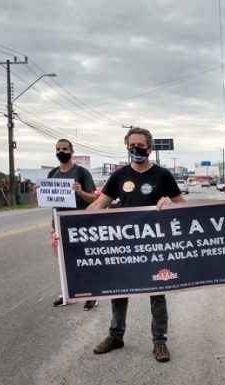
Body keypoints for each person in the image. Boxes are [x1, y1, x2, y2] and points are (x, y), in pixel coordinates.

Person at [87, 127, 185, 363]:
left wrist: (170, 205)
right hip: (124, 245)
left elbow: (182, 204)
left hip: (155, 246)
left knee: (157, 293)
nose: (136, 149)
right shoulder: (119, 176)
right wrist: (68, 225)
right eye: (132, 145)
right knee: (119, 291)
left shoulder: (163, 176)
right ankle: (116, 336)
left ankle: (159, 341)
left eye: (140, 145)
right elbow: (99, 205)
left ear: (149, 148)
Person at [48, 139, 98, 311]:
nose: (61, 151)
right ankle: (68, 293)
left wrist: (80, 191)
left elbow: (94, 198)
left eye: (64, 149)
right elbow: (49, 199)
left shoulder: (82, 173)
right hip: (59, 222)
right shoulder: (53, 173)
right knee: (65, 261)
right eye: (58, 149)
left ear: (71, 151)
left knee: (84, 260)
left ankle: (91, 294)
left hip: (79, 223)